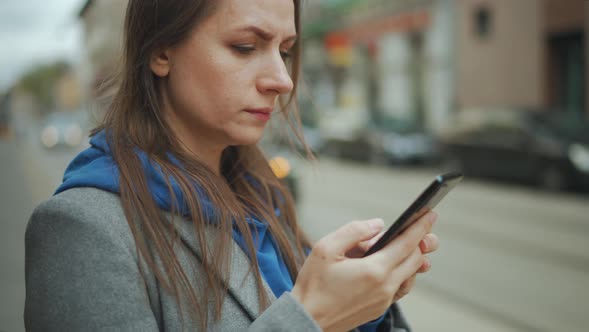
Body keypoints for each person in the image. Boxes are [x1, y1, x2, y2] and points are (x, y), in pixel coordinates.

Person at [24, 0, 440, 331]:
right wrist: (313, 318)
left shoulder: (263, 196)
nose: (282, 79)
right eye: (245, 47)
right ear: (160, 52)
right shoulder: (81, 228)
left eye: (285, 50)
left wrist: (364, 307)